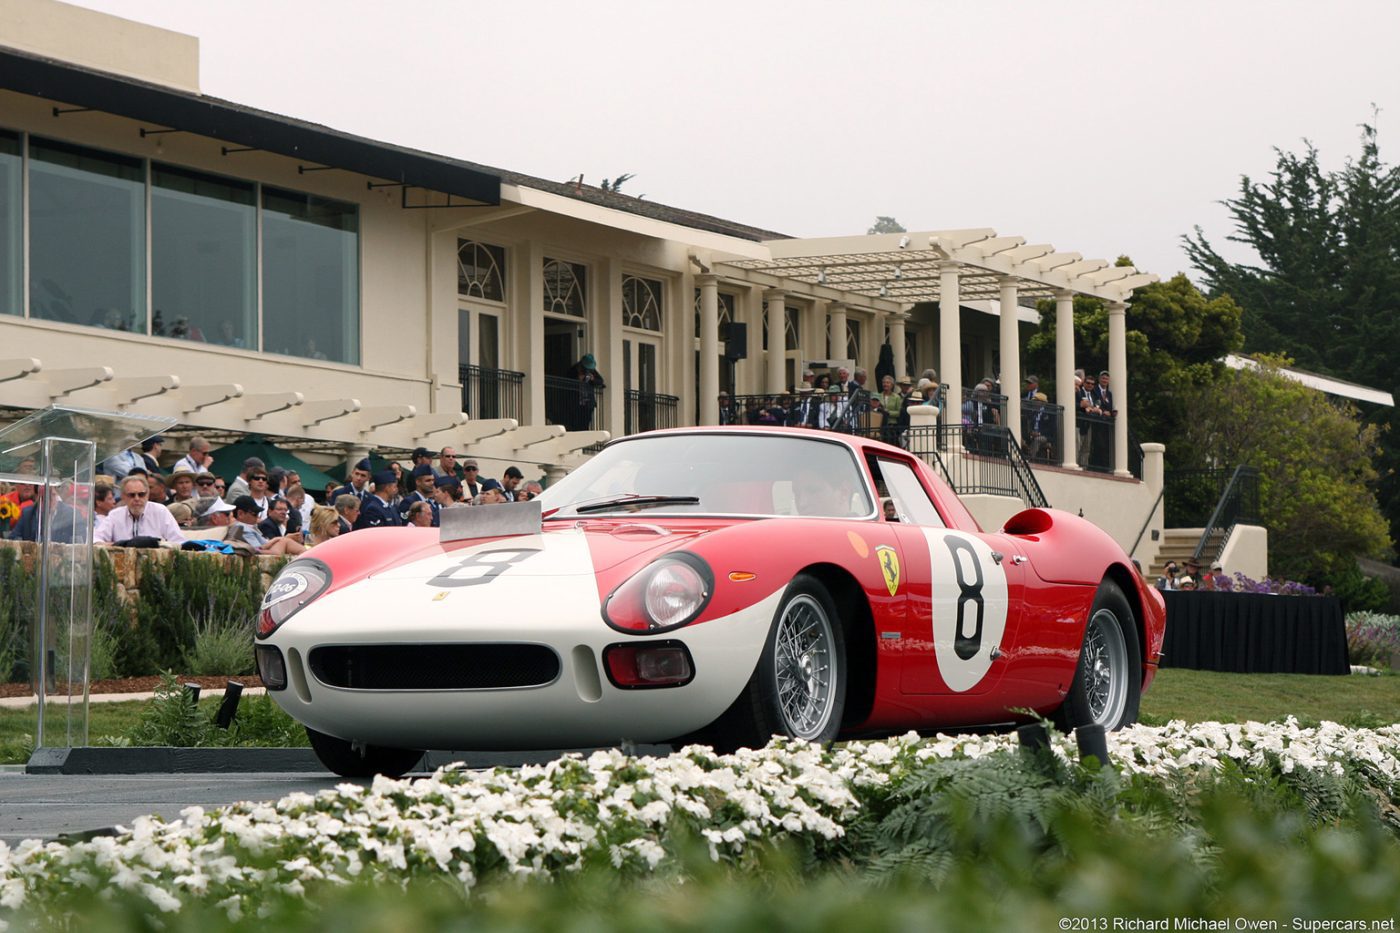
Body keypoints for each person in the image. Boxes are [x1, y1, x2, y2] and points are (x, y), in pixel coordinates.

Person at [94, 474, 184, 545]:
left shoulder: (160, 511)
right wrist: (117, 545)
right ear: (123, 497)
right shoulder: (115, 515)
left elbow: (178, 541)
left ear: (148, 495)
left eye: (141, 494)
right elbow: (96, 539)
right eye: (132, 495)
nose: (137, 499)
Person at [228, 496, 307, 556]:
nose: (257, 517)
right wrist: (280, 539)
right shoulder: (242, 527)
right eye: (254, 513)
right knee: (284, 541)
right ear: (240, 514)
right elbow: (258, 549)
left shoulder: (246, 527)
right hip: (264, 554)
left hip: (266, 552)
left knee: (284, 541)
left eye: (285, 510)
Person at [566, 353, 605, 431]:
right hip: (576, 402)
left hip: (588, 403)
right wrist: (578, 379)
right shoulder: (574, 370)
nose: (587, 370)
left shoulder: (592, 371)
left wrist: (593, 379)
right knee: (576, 423)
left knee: (586, 423)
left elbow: (600, 381)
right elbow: (567, 380)